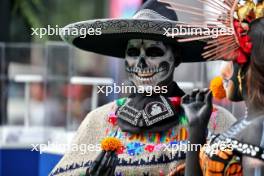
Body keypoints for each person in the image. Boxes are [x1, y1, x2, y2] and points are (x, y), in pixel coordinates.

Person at [50, 0, 236, 175]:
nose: (141, 63)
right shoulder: (99, 121)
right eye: (132, 53)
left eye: (154, 52)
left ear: (176, 57)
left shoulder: (215, 120)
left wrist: (196, 133)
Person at [181, 1, 264, 175]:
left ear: (245, 66)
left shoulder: (259, 129)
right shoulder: (248, 123)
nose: (221, 72)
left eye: (227, 58)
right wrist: (196, 128)